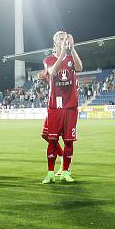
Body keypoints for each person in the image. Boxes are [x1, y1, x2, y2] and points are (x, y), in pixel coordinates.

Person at [40, 31, 83, 184]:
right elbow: (53, 71)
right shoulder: (49, 59)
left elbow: (79, 68)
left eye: (66, 39)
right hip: (55, 106)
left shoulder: (71, 56)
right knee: (51, 139)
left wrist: (73, 49)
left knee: (69, 141)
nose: (63, 40)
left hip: (70, 105)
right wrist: (63, 54)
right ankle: (50, 173)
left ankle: (65, 170)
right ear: (55, 42)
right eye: (60, 39)